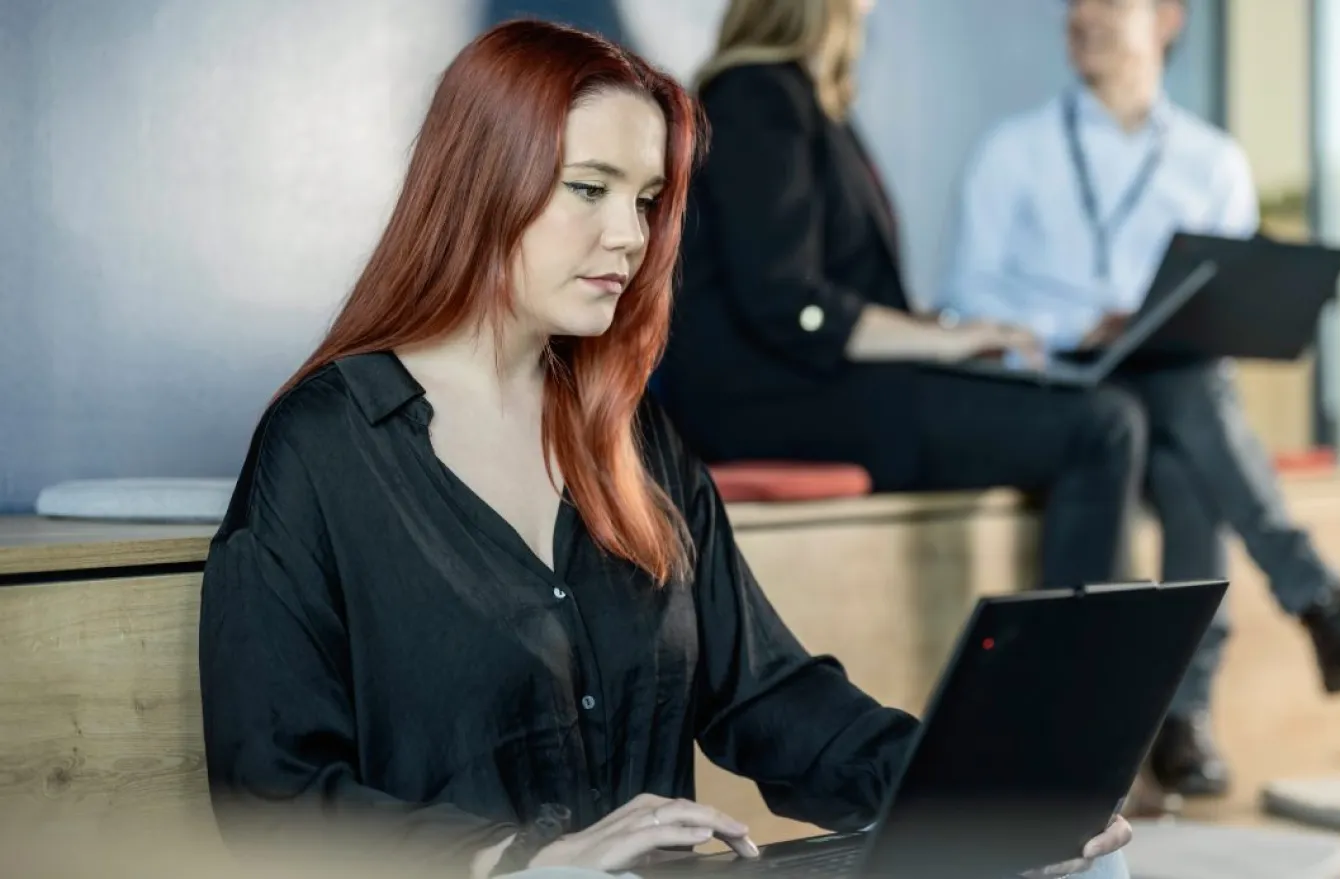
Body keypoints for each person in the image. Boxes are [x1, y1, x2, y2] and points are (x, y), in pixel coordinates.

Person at [196, 19, 1132, 879]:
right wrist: (523, 862)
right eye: (590, 190)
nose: (630, 238)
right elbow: (272, 790)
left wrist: (974, 785)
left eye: (646, 200)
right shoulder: (323, 447)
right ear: (483, 180)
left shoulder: (633, 435)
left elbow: (768, 696)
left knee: (1072, 861)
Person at [935, 0, 1340, 798]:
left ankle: (1200, 703)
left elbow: (1228, 310)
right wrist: (1085, 324)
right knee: (1192, 406)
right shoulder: (1014, 151)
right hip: (1059, 385)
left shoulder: (1213, 162)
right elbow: (963, 299)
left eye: (1108, 1)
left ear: (1167, 18)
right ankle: (1295, 630)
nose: (1083, 15)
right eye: (1075, 3)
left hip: (1171, 397)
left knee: (1186, 450)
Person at [658, 0, 1146, 596]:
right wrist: (945, 341)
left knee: (1102, 406)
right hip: (770, 400)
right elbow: (787, 301)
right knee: (1102, 425)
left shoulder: (806, 98)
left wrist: (955, 336)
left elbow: (831, 294)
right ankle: (1077, 687)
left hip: (815, 384)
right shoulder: (757, 95)